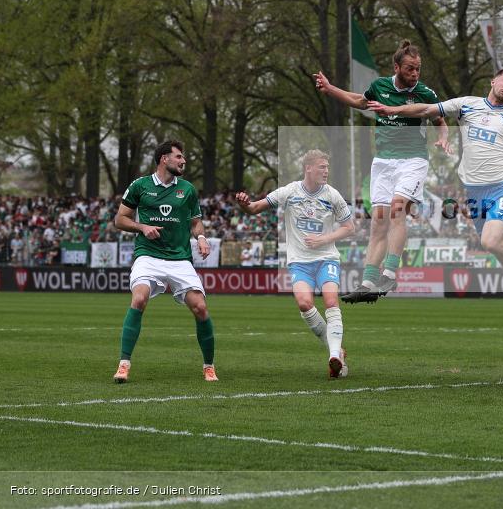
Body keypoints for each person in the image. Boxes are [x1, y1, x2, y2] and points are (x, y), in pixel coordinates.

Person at [368, 68, 503, 327]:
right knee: (495, 246)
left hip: (500, 188)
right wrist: (394, 110)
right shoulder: (466, 105)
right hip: (473, 191)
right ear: (493, 81)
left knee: (492, 241)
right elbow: (427, 110)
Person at [313, 40, 450, 303]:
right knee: (378, 223)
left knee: (398, 208)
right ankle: (367, 283)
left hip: (413, 160)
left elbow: (440, 121)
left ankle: (389, 272)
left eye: (418, 69)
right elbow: (357, 100)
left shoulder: (425, 94)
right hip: (384, 163)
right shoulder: (380, 87)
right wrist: (330, 89)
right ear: (397, 67)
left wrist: (444, 137)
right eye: (410, 68)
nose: (415, 74)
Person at [235, 150, 354, 378]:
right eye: (322, 167)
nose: (326, 171)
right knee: (304, 304)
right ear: (308, 168)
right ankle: (337, 350)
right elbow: (254, 208)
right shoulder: (290, 191)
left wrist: (324, 239)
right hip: (300, 262)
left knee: (330, 300)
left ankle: (335, 355)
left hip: (326, 259)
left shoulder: (333, 195)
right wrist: (244, 204)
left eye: (327, 167)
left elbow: (350, 227)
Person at [112, 141, 216, 383]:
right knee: (139, 298)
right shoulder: (140, 186)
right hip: (148, 255)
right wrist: (142, 227)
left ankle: (209, 366)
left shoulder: (188, 189)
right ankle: (124, 365)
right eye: (179, 157)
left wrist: (201, 237)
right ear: (163, 159)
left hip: (179, 258)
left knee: (200, 308)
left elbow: (195, 221)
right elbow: (120, 219)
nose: (183, 161)